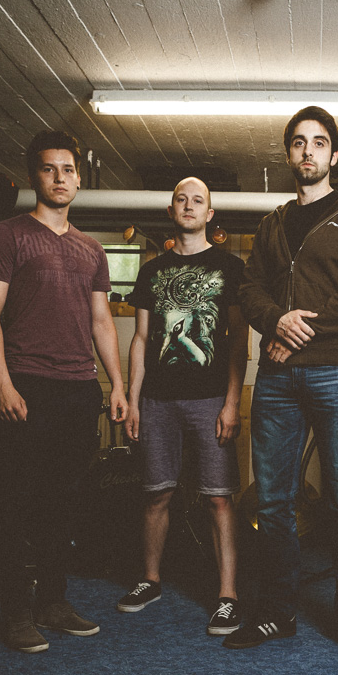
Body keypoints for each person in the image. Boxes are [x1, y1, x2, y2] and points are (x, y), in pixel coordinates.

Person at [227, 106, 338, 669]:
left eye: (319, 143)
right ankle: (278, 610)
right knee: (273, 501)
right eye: (298, 142)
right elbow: (250, 290)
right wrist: (276, 321)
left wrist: (298, 333)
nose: (308, 151)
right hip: (275, 380)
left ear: (333, 155)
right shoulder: (271, 224)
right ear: (289, 153)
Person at [0, 130, 128, 653]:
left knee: (63, 504)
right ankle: (16, 612)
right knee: (17, 502)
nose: (59, 178)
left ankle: (53, 602)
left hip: (79, 388)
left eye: (68, 169)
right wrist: (3, 382)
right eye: (49, 169)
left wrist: (116, 384)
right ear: (33, 177)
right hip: (27, 385)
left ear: (79, 179)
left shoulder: (91, 248)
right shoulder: (9, 234)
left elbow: (101, 321)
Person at [116, 177, 247, 636]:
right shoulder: (152, 271)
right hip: (157, 401)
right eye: (181, 200)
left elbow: (239, 341)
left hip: (210, 399)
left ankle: (228, 596)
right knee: (156, 493)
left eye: (198, 201)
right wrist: (133, 399)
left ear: (210, 214)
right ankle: (150, 579)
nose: (189, 206)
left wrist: (232, 402)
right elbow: (140, 339)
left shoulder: (230, 267)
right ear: (171, 211)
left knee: (219, 498)